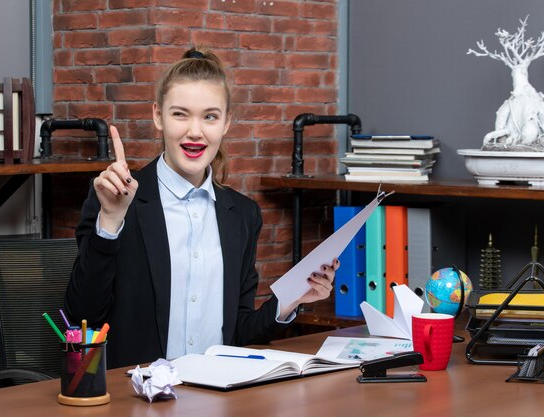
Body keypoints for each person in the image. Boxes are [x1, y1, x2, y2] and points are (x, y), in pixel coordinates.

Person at [65, 47, 339, 369]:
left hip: (217, 393)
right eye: (180, 114)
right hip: (137, 396)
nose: (195, 131)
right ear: (158, 116)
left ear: (226, 123)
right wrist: (110, 221)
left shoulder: (243, 215)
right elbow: (80, 318)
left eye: (210, 116)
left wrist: (292, 299)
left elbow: (237, 332)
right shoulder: (117, 199)